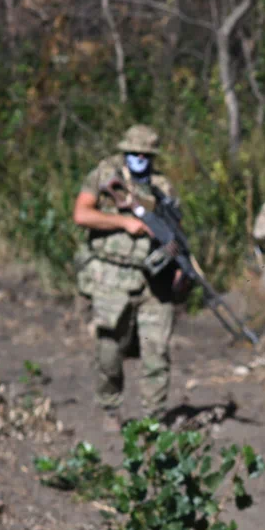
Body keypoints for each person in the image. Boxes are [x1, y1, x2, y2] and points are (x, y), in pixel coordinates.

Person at [72, 124, 179, 430]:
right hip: (113, 276)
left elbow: (173, 233)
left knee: (157, 351)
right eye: (134, 154)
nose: (140, 159)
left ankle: (154, 419)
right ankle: (110, 409)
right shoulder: (105, 176)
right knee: (110, 348)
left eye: (146, 155)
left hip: (154, 282)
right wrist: (123, 222)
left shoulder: (162, 187)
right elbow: (82, 214)